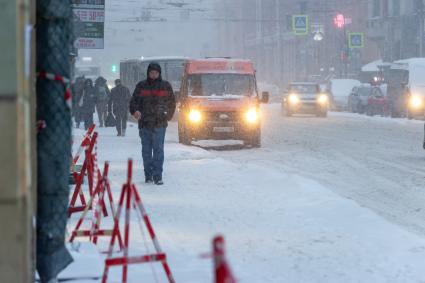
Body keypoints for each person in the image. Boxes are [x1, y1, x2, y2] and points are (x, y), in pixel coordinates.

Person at [129, 62, 176, 185]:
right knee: (146, 151)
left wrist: (168, 116)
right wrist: (135, 111)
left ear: (159, 73)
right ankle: (148, 175)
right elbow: (133, 101)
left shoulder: (166, 86)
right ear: (148, 73)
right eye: (151, 72)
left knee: (158, 150)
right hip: (145, 124)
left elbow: (172, 103)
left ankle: (158, 176)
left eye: (156, 73)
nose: (154, 75)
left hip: (160, 124)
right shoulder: (141, 86)